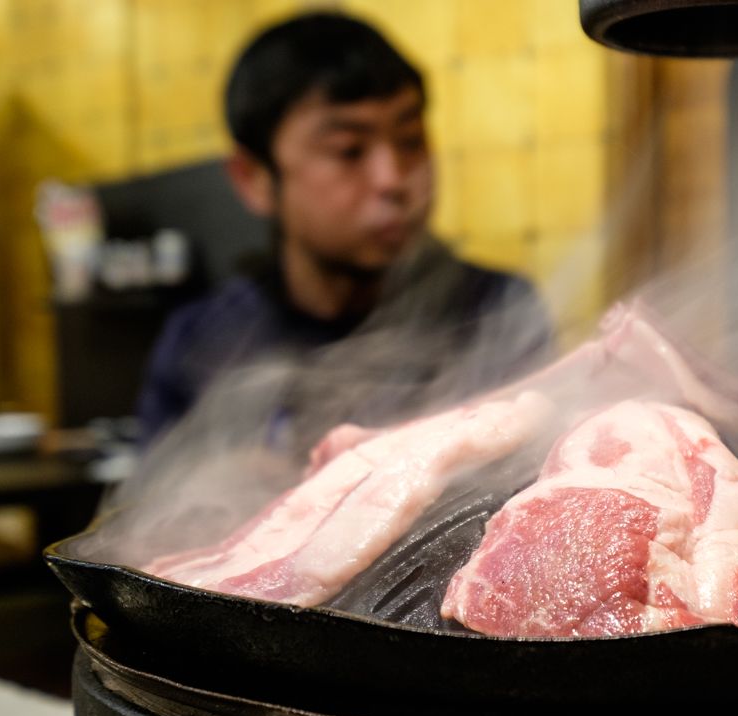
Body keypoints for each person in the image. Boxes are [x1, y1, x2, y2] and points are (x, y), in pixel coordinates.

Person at [137, 11, 552, 448]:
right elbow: (156, 512)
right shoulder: (204, 344)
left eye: (410, 140)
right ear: (253, 178)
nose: (393, 179)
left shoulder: (497, 311)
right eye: (349, 150)